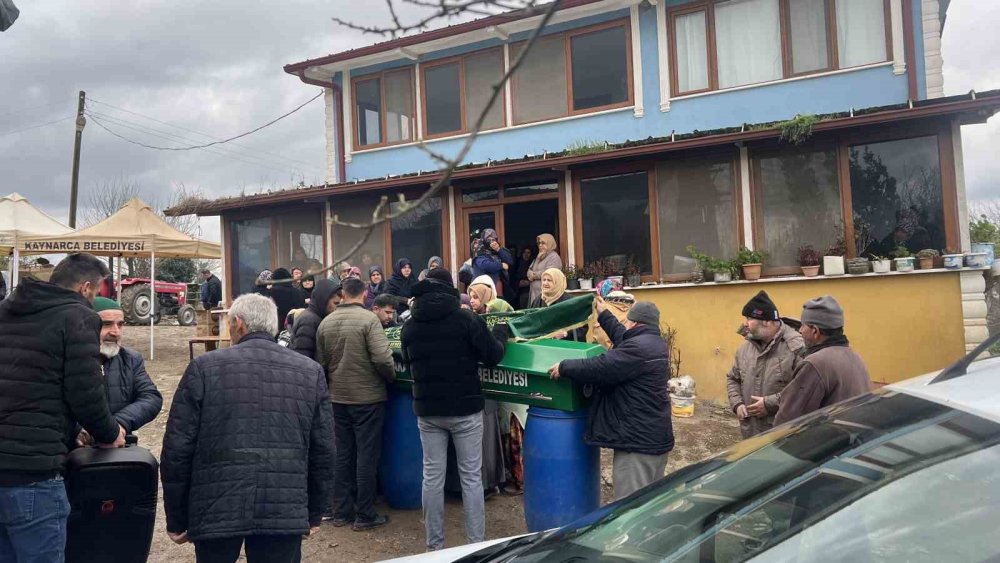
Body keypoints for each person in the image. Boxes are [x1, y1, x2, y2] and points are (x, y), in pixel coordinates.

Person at [161, 294, 335, 563]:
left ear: (238, 323)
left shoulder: (204, 368)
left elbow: (177, 449)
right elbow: (323, 449)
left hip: (215, 505)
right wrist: (313, 511)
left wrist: (177, 516)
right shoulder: (310, 372)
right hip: (284, 506)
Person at [0, 253, 126, 562]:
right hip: (34, 471)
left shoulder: (6, 310)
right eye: (96, 293)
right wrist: (111, 432)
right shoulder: (77, 317)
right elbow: (85, 393)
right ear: (85, 288)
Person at [400, 268, 507, 551]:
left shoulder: (410, 325)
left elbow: (407, 359)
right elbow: (493, 356)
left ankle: (434, 547)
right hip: (465, 408)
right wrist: (501, 332)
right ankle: (475, 545)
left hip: (428, 410)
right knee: (471, 477)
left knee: (431, 477)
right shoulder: (466, 319)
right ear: (450, 289)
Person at [548, 298, 673, 500]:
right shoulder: (654, 343)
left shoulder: (637, 349)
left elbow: (601, 366)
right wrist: (604, 313)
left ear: (635, 323)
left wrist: (564, 367)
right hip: (653, 438)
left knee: (630, 508)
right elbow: (623, 337)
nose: (625, 323)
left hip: (637, 446)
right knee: (650, 504)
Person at [316, 277, 395, 531]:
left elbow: (322, 362)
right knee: (366, 456)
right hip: (368, 398)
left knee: (343, 455)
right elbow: (383, 358)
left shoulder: (326, 323)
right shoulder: (369, 320)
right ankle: (365, 514)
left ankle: (341, 512)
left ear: (343, 294)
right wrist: (389, 377)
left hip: (337, 398)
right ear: (363, 295)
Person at [75, 297, 163, 444]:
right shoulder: (66, 360)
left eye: (120, 325)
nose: (115, 332)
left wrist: (117, 425)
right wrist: (77, 430)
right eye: (107, 324)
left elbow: (151, 397)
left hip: (118, 449)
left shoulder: (130, 359)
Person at [775, 296, 873, 425]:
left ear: (815, 331)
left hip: (826, 441)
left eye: (803, 325)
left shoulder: (815, 364)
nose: (800, 330)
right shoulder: (855, 357)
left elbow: (788, 420)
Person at [726, 290, 805, 439]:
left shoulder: (796, 348)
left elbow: (803, 389)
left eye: (749, 318)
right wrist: (737, 404)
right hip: (751, 434)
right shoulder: (745, 349)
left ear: (767, 321)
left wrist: (769, 404)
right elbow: (732, 379)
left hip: (783, 435)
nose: (745, 324)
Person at [289, 278, 342, 361]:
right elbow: (303, 356)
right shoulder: (309, 321)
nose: (337, 308)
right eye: (335, 303)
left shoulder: (317, 316)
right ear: (323, 301)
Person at [528, 268, 585, 341]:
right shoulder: (537, 300)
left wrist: (565, 333)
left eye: (549, 280)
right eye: (544, 280)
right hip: (543, 345)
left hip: (566, 347)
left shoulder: (571, 302)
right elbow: (531, 323)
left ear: (558, 282)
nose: (545, 283)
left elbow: (582, 327)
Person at [526, 234, 562, 307]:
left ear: (550, 243)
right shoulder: (539, 256)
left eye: (543, 243)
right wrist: (538, 259)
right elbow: (529, 271)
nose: (540, 245)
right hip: (535, 294)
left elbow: (549, 273)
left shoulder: (554, 257)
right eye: (539, 243)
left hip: (546, 295)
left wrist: (534, 275)